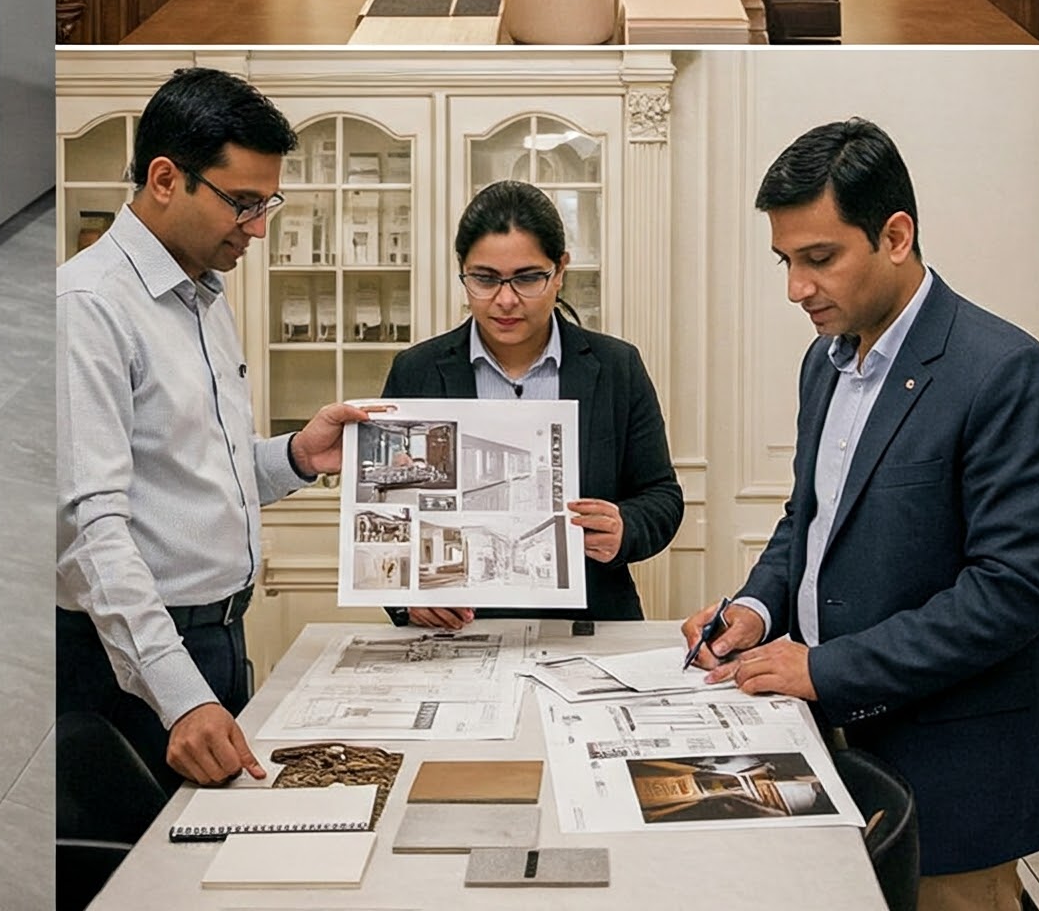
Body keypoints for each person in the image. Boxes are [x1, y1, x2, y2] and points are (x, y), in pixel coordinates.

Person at [681, 117, 1039, 911]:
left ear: (896, 236)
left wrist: (822, 670)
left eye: (819, 258)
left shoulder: (1006, 373)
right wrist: (757, 608)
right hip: (830, 754)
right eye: (786, 261)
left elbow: (1008, 595)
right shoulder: (824, 364)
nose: (796, 288)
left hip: (952, 782)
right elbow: (810, 520)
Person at [57, 67, 373, 815]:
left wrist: (296, 457)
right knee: (144, 866)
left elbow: (194, 476)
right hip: (133, 662)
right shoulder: (89, 307)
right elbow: (88, 529)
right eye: (243, 202)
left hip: (217, 638)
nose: (258, 227)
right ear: (166, 179)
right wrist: (180, 696)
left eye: (268, 204)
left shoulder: (200, 294)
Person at [380, 179, 681, 628]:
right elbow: (384, 508)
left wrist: (625, 527)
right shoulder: (417, 371)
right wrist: (406, 598)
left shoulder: (616, 367)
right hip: (459, 631)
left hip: (591, 624)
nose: (505, 300)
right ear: (463, 272)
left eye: (527, 278)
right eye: (484, 279)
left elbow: (661, 495)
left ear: (559, 271)